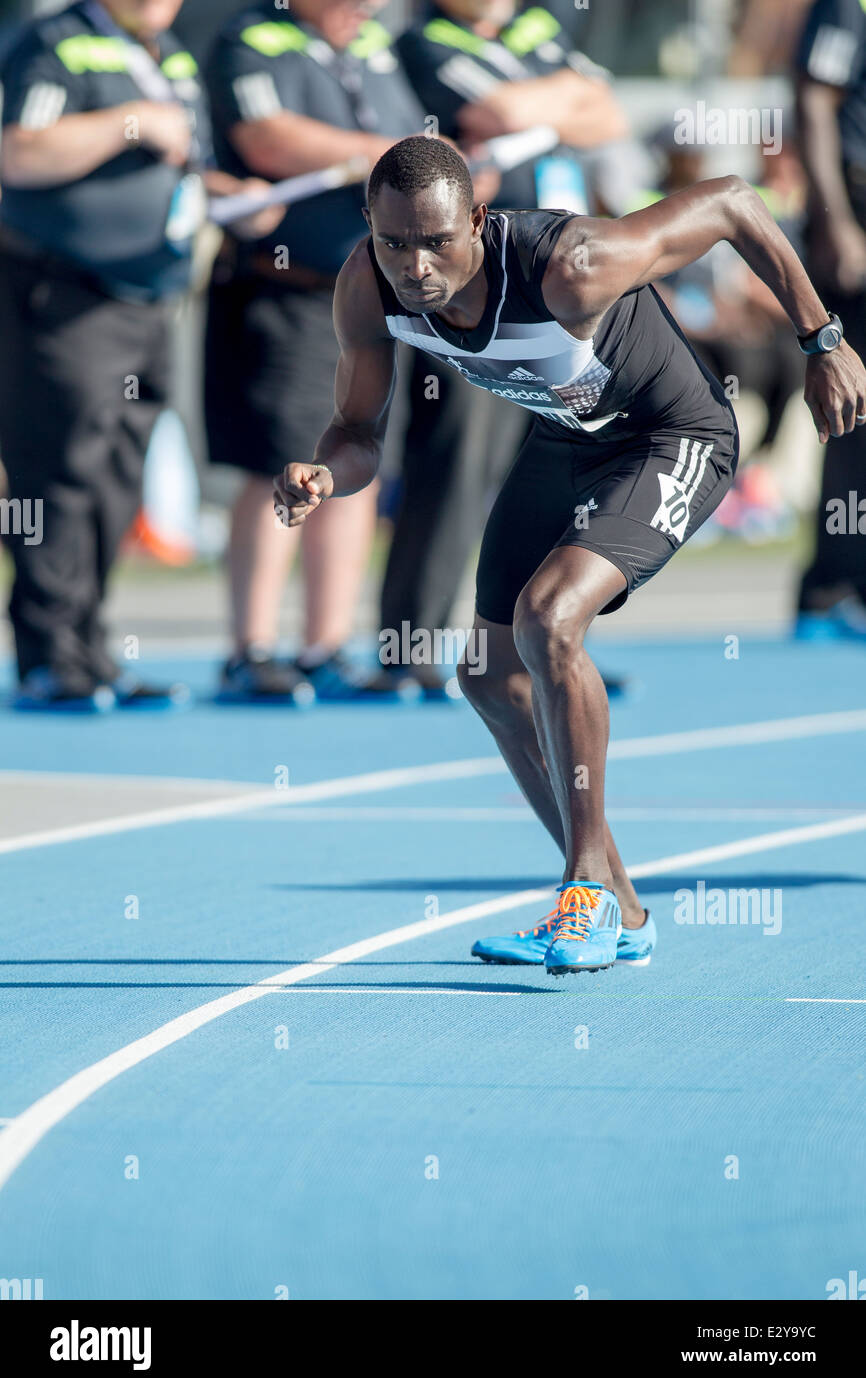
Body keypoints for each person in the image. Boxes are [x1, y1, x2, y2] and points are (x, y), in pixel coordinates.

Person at [274, 136, 866, 972]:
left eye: (437, 241)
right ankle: (619, 904)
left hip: (670, 437)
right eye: (394, 242)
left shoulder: (573, 265)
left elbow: (734, 199)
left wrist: (821, 339)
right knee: (484, 674)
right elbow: (358, 432)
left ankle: (582, 891)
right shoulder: (365, 287)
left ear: (477, 221)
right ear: (369, 227)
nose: (416, 267)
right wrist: (324, 473)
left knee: (549, 620)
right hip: (565, 443)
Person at [0, 0, 279, 712]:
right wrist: (128, 124)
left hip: (148, 301)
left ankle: (89, 650)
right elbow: (19, 152)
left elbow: (181, 168)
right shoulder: (56, 41)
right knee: (60, 473)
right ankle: (47, 655)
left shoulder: (167, 53)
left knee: (118, 474)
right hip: (64, 295)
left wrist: (233, 198)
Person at [379, 0, 631, 696]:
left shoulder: (538, 28)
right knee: (458, 466)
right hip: (478, 291)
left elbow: (608, 113)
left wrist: (549, 107)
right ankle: (410, 644)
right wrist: (559, 103)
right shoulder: (425, 43)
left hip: (555, 287)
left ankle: (550, 641)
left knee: (562, 467)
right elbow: (501, 113)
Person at [204, 0, 427, 702]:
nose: (366, 8)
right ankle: (252, 648)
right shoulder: (253, 39)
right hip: (285, 291)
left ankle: (324, 646)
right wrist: (368, 156)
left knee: (354, 461)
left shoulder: (374, 50)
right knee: (278, 461)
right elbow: (267, 137)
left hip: (368, 297)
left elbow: (419, 147)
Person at [794, 0, 866, 637]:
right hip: (859, 213)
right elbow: (814, 99)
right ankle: (832, 587)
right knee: (854, 408)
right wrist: (836, 220)